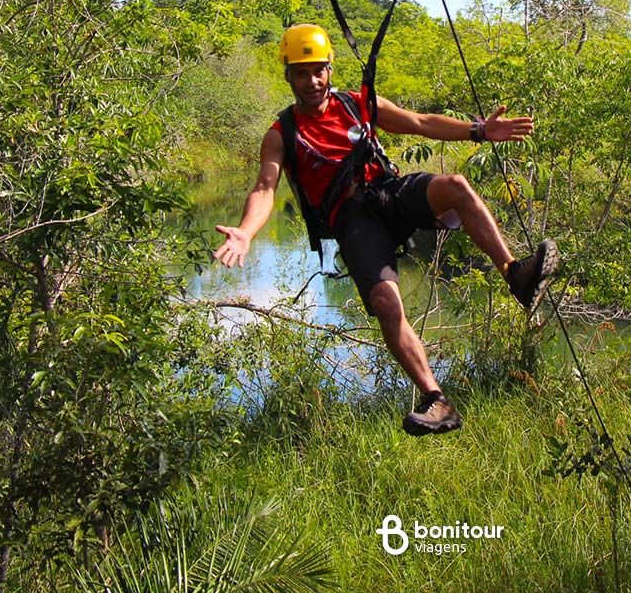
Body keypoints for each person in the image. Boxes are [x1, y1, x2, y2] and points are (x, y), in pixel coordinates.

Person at [213, 24, 559, 437]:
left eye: (319, 70)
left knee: (456, 187)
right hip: (352, 222)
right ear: (287, 75)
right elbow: (265, 188)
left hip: (387, 192)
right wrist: (247, 232)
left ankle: (514, 274)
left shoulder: (356, 103)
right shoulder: (282, 134)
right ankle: (436, 399)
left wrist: (479, 131)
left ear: (330, 68)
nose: (313, 81)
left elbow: (419, 122)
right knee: (385, 302)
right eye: (302, 73)